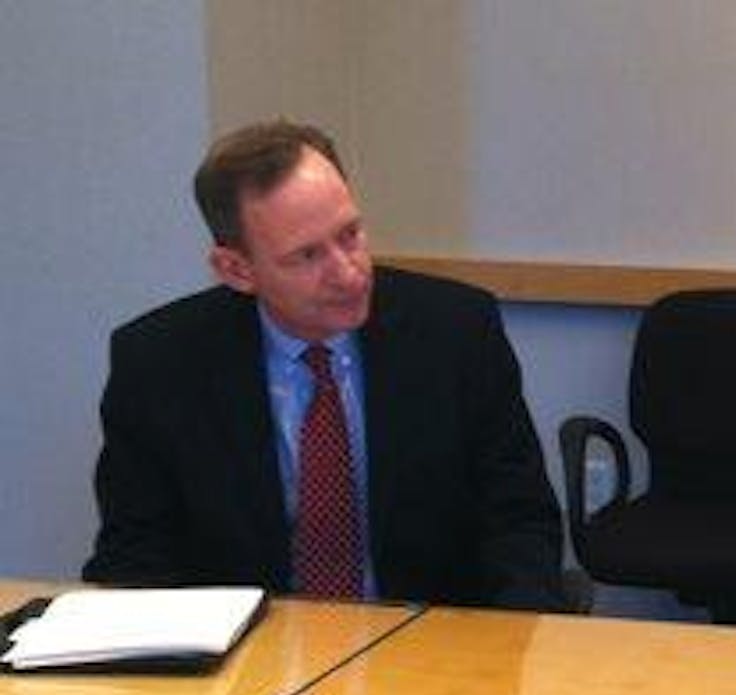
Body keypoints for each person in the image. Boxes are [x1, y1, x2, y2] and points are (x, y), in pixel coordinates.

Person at [83, 120, 566, 610]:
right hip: (249, 662)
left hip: (427, 648)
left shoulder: (456, 331)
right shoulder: (158, 363)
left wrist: (510, 647)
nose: (347, 271)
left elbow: (519, 522)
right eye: (308, 255)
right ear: (236, 269)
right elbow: (136, 558)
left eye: (350, 234)